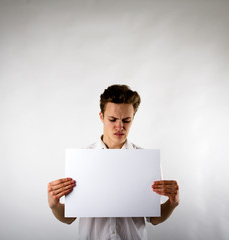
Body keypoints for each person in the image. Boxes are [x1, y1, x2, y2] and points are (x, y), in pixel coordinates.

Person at [48, 84, 179, 240]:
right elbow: (69, 217)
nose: (120, 126)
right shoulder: (81, 159)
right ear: (101, 117)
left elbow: (154, 218)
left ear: (133, 118)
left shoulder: (145, 160)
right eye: (112, 119)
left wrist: (172, 203)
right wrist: (54, 205)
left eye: (126, 120)